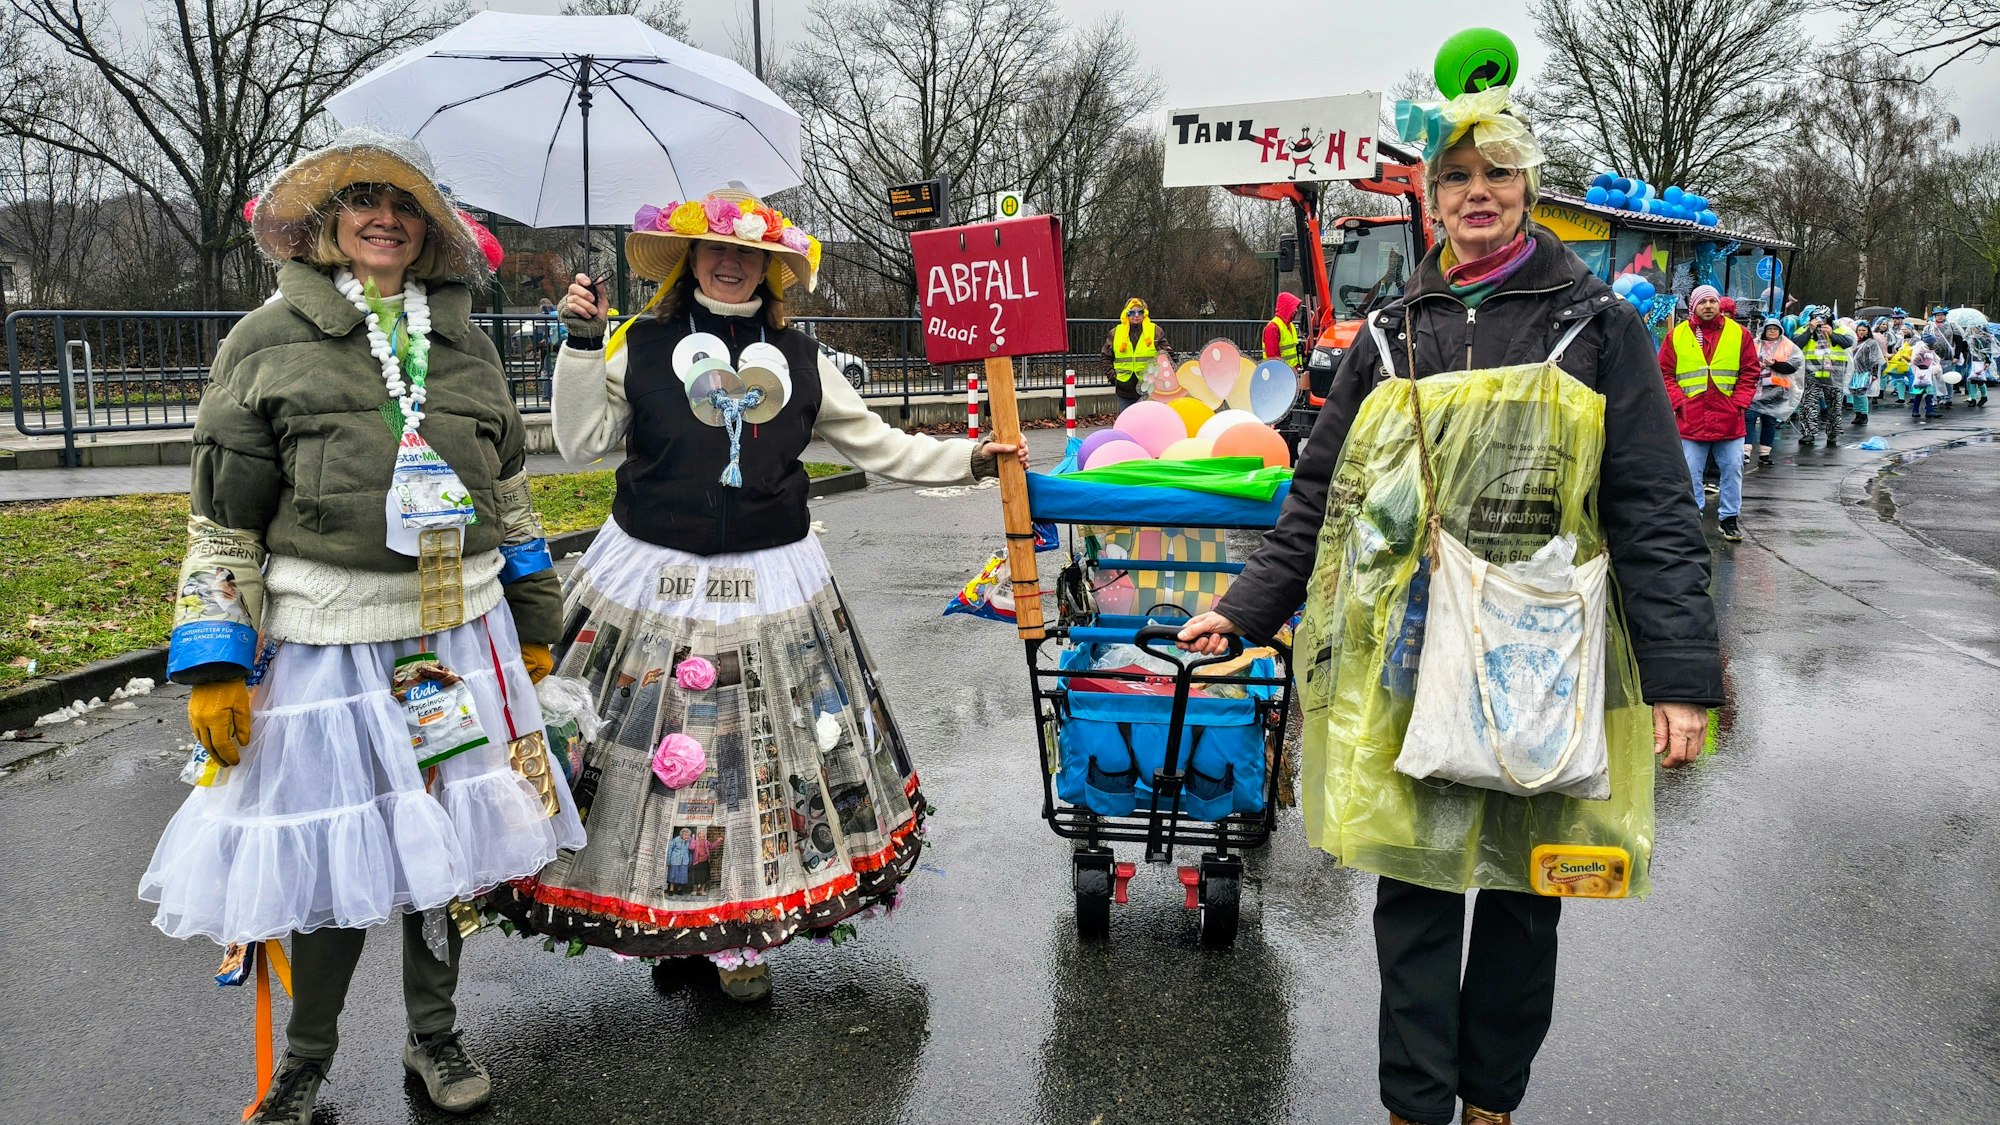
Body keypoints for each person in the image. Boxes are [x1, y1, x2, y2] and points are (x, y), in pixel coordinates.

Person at [1177, 88, 1717, 1125]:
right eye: (1457, 177)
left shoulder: (1595, 327)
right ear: (1432, 194)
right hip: (1411, 653)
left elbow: (1651, 507)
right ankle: (1415, 1106)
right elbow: (1319, 499)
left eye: (1497, 174)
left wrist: (1680, 678)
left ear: (1528, 189)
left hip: (1542, 653)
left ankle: (1491, 1103)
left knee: (1523, 898)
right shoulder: (1388, 338)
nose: (1477, 194)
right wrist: (1244, 611)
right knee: (1413, 889)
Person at [139, 129, 585, 1125]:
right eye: (362, 202)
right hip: (328, 644)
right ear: (323, 225)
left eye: (405, 206)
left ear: (430, 233)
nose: (384, 218)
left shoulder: (467, 340)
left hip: (452, 639)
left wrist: (535, 622)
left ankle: (434, 1037)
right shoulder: (263, 339)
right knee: (327, 857)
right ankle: (308, 1055)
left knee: (445, 853)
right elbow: (223, 518)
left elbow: (509, 501)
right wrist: (215, 660)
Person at [492, 188, 1028, 1003]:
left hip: (770, 582)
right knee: (648, 752)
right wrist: (577, 343)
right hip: (651, 579)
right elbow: (580, 441)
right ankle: (669, 928)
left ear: (773, 270)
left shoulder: (803, 357)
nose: (731, 262)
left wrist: (972, 459)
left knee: (757, 754)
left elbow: (877, 445)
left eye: (748, 254)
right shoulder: (636, 345)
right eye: (714, 249)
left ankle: (741, 936)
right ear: (688, 259)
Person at [1659, 284, 1759, 541]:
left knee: (1734, 468)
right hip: (1691, 418)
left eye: (1712, 301)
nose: (1708, 306)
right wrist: (1679, 402)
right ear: (1693, 306)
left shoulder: (1740, 334)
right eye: (1702, 302)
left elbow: (1750, 371)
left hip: (1729, 417)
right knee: (1690, 472)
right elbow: (1665, 373)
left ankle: (1729, 518)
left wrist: (1739, 403)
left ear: (1719, 304)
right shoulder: (1676, 335)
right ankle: (1694, 516)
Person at [1748, 319, 1800, 467]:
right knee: (1749, 419)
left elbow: (1793, 366)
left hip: (1776, 390)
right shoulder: (1754, 343)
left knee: (1769, 421)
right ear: (1764, 330)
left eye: (1775, 329)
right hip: (1755, 388)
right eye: (1769, 329)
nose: (1772, 331)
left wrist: (1774, 365)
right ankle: (1745, 452)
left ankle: (1765, 454)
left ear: (1780, 331)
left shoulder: (1788, 345)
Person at [1102, 296, 1171, 404]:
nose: (1137, 315)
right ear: (1126, 313)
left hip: (1150, 388)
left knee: (1148, 420)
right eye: (1132, 312)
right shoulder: (1115, 332)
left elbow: (1167, 356)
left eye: (1140, 312)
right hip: (1124, 388)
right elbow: (1105, 357)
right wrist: (1113, 378)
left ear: (1145, 313)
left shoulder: (1155, 331)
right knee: (1127, 420)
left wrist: (1160, 378)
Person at [1796, 319, 1851, 448]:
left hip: (1834, 374)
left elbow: (1848, 342)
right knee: (1808, 404)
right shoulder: (1804, 329)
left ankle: (1833, 433)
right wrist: (1810, 330)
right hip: (1811, 373)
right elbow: (1796, 344)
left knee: (1834, 405)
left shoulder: (1840, 328)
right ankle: (1809, 433)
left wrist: (1832, 334)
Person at [1848, 322, 1883, 427]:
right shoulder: (1855, 342)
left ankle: (1864, 415)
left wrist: (1874, 373)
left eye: (1864, 330)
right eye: (1859, 330)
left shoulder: (1872, 343)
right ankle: (1857, 414)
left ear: (1868, 331)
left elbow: (1875, 359)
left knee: (1862, 392)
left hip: (1865, 371)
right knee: (1854, 392)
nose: (1861, 332)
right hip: (1854, 371)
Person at [1264, 290, 1304, 368]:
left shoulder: (1290, 325)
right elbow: (1273, 358)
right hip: (1281, 374)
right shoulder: (1273, 327)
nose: (1296, 310)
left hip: (1290, 372)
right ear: (1286, 307)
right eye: (1293, 307)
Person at [1910, 340, 1943, 421]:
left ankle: (1928, 410)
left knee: (1928, 393)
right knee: (1921, 393)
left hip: (1926, 375)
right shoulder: (1922, 350)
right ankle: (1919, 410)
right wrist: (1924, 366)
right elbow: (1915, 361)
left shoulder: (1927, 350)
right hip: (1923, 375)